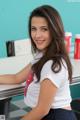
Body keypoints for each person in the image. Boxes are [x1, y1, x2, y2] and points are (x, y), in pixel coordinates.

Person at [0, 5, 77, 120]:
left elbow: (41, 110)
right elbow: (17, 78)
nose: (37, 35)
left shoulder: (52, 66)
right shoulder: (42, 55)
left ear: (55, 30)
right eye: (33, 29)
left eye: (44, 29)